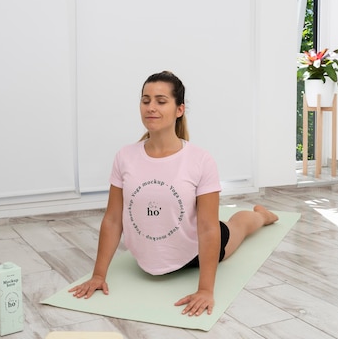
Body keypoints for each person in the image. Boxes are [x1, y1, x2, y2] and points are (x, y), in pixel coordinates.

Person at [69, 70, 278, 317]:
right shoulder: (125, 156)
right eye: (145, 100)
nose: (151, 107)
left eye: (161, 101)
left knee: (238, 226)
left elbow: (209, 228)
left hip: (196, 251)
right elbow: (113, 219)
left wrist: (205, 290)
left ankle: (263, 216)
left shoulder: (200, 159)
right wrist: (98, 275)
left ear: (179, 109)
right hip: (150, 260)